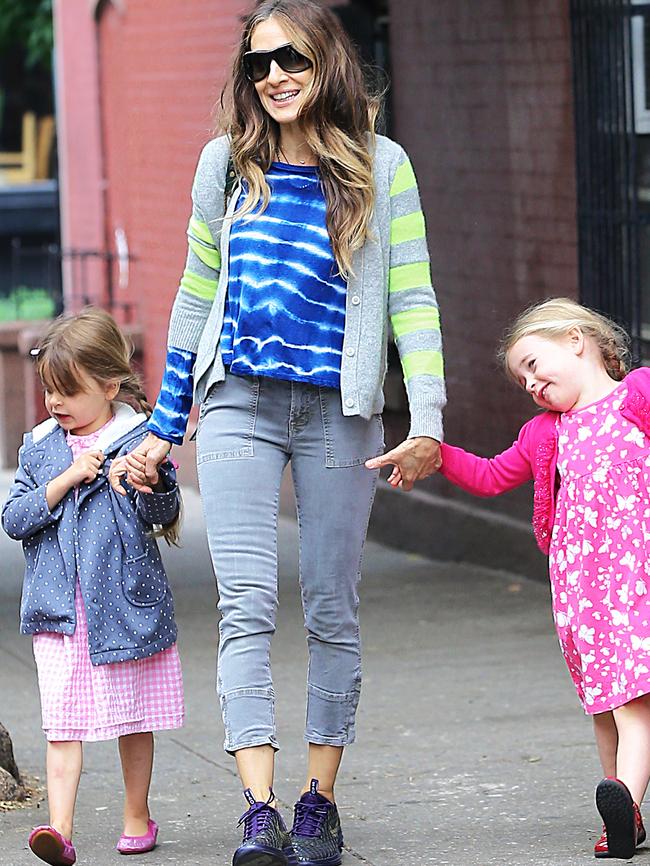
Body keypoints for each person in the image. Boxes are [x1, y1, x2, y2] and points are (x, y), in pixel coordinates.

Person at [124, 1, 445, 863]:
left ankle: (318, 802)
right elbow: (196, 292)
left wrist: (431, 420)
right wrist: (163, 423)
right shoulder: (225, 165)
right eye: (259, 62)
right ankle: (258, 810)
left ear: (326, 62)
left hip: (340, 412)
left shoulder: (382, 166)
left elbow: (412, 298)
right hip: (238, 404)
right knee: (245, 605)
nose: (274, 76)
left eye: (291, 58)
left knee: (333, 606)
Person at [429, 297, 650, 860]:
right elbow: (489, 475)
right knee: (605, 705)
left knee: (632, 702)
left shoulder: (638, 395)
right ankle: (623, 811)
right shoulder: (544, 433)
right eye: (521, 378)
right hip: (580, 591)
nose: (530, 383)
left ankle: (623, 800)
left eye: (533, 363)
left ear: (576, 340)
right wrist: (436, 452)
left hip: (638, 579)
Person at [1, 308, 184, 866]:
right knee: (62, 723)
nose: (56, 404)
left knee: (134, 717)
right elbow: (14, 518)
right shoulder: (40, 448)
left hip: (126, 604)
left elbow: (165, 510)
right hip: (60, 613)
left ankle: (136, 815)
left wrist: (147, 482)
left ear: (109, 386)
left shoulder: (141, 439)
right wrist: (64, 480)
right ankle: (59, 828)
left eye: (69, 392)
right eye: (49, 391)